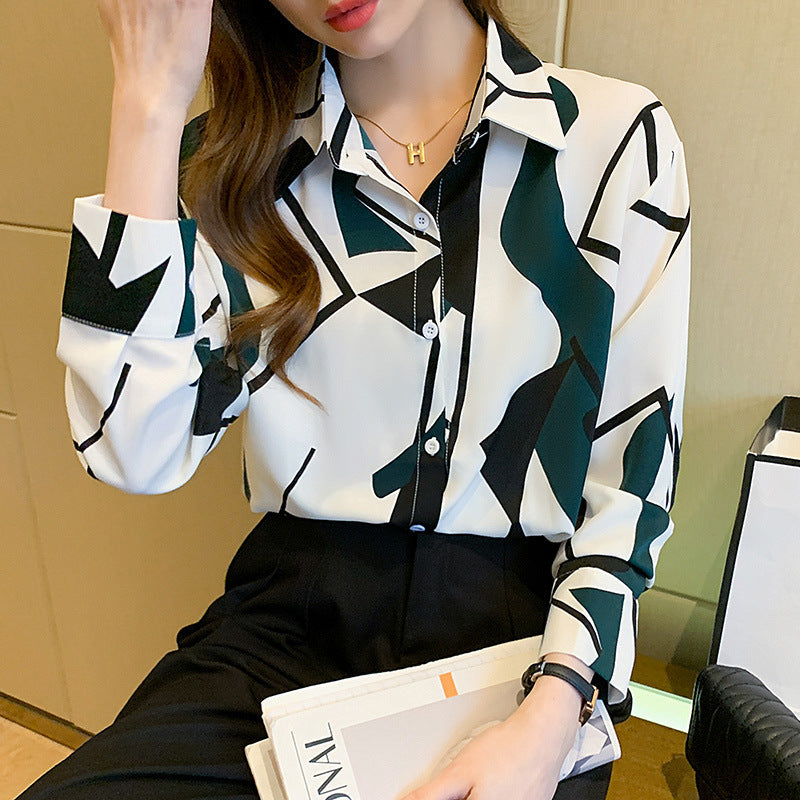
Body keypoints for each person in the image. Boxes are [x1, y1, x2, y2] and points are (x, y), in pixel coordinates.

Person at [19, 0, 690, 798]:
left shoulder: (615, 142)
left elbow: (630, 486)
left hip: (522, 650)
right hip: (284, 631)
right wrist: (147, 103)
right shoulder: (235, 165)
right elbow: (129, 448)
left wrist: (556, 708)